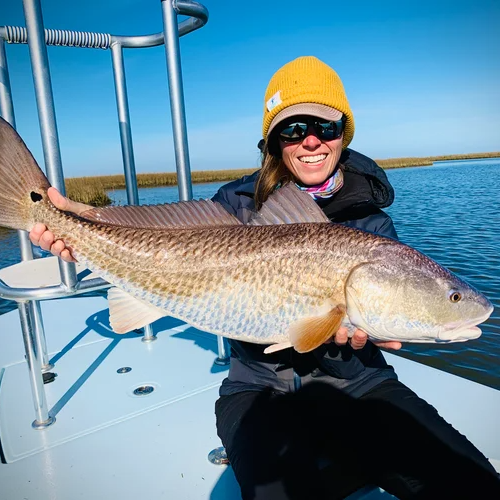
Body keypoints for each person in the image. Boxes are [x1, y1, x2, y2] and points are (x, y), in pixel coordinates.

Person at [29, 56, 500, 499]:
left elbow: (357, 327)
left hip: (357, 383)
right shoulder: (234, 204)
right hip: (256, 388)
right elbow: (158, 234)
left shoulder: (371, 223)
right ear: (274, 140)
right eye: (293, 129)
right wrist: (82, 223)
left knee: (472, 484)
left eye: (325, 126)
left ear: (343, 133)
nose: (310, 140)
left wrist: (363, 330)